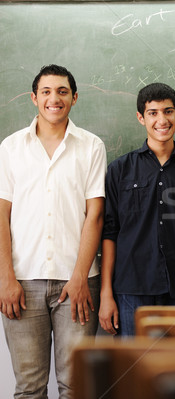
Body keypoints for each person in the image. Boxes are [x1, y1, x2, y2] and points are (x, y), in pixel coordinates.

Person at [0, 65, 106, 398]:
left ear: (74, 98)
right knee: (29, 387)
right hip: (23, 281)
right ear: (34, 98)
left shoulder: (91, 146)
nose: (53, 99)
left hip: (78, 282)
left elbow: (95, 215)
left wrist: (79, 277)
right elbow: (1, 214)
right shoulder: (11, 147)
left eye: (62, 91)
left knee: (76, 387)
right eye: (46, 91)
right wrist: (5, 278)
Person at [99, 83, 175, 336]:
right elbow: (110, 233)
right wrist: (106, 293)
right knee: (136, 371)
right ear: (141, 117)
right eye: (153, 113)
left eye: (168, 111)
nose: (162, 120)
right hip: (131, 290)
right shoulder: (120, 170)